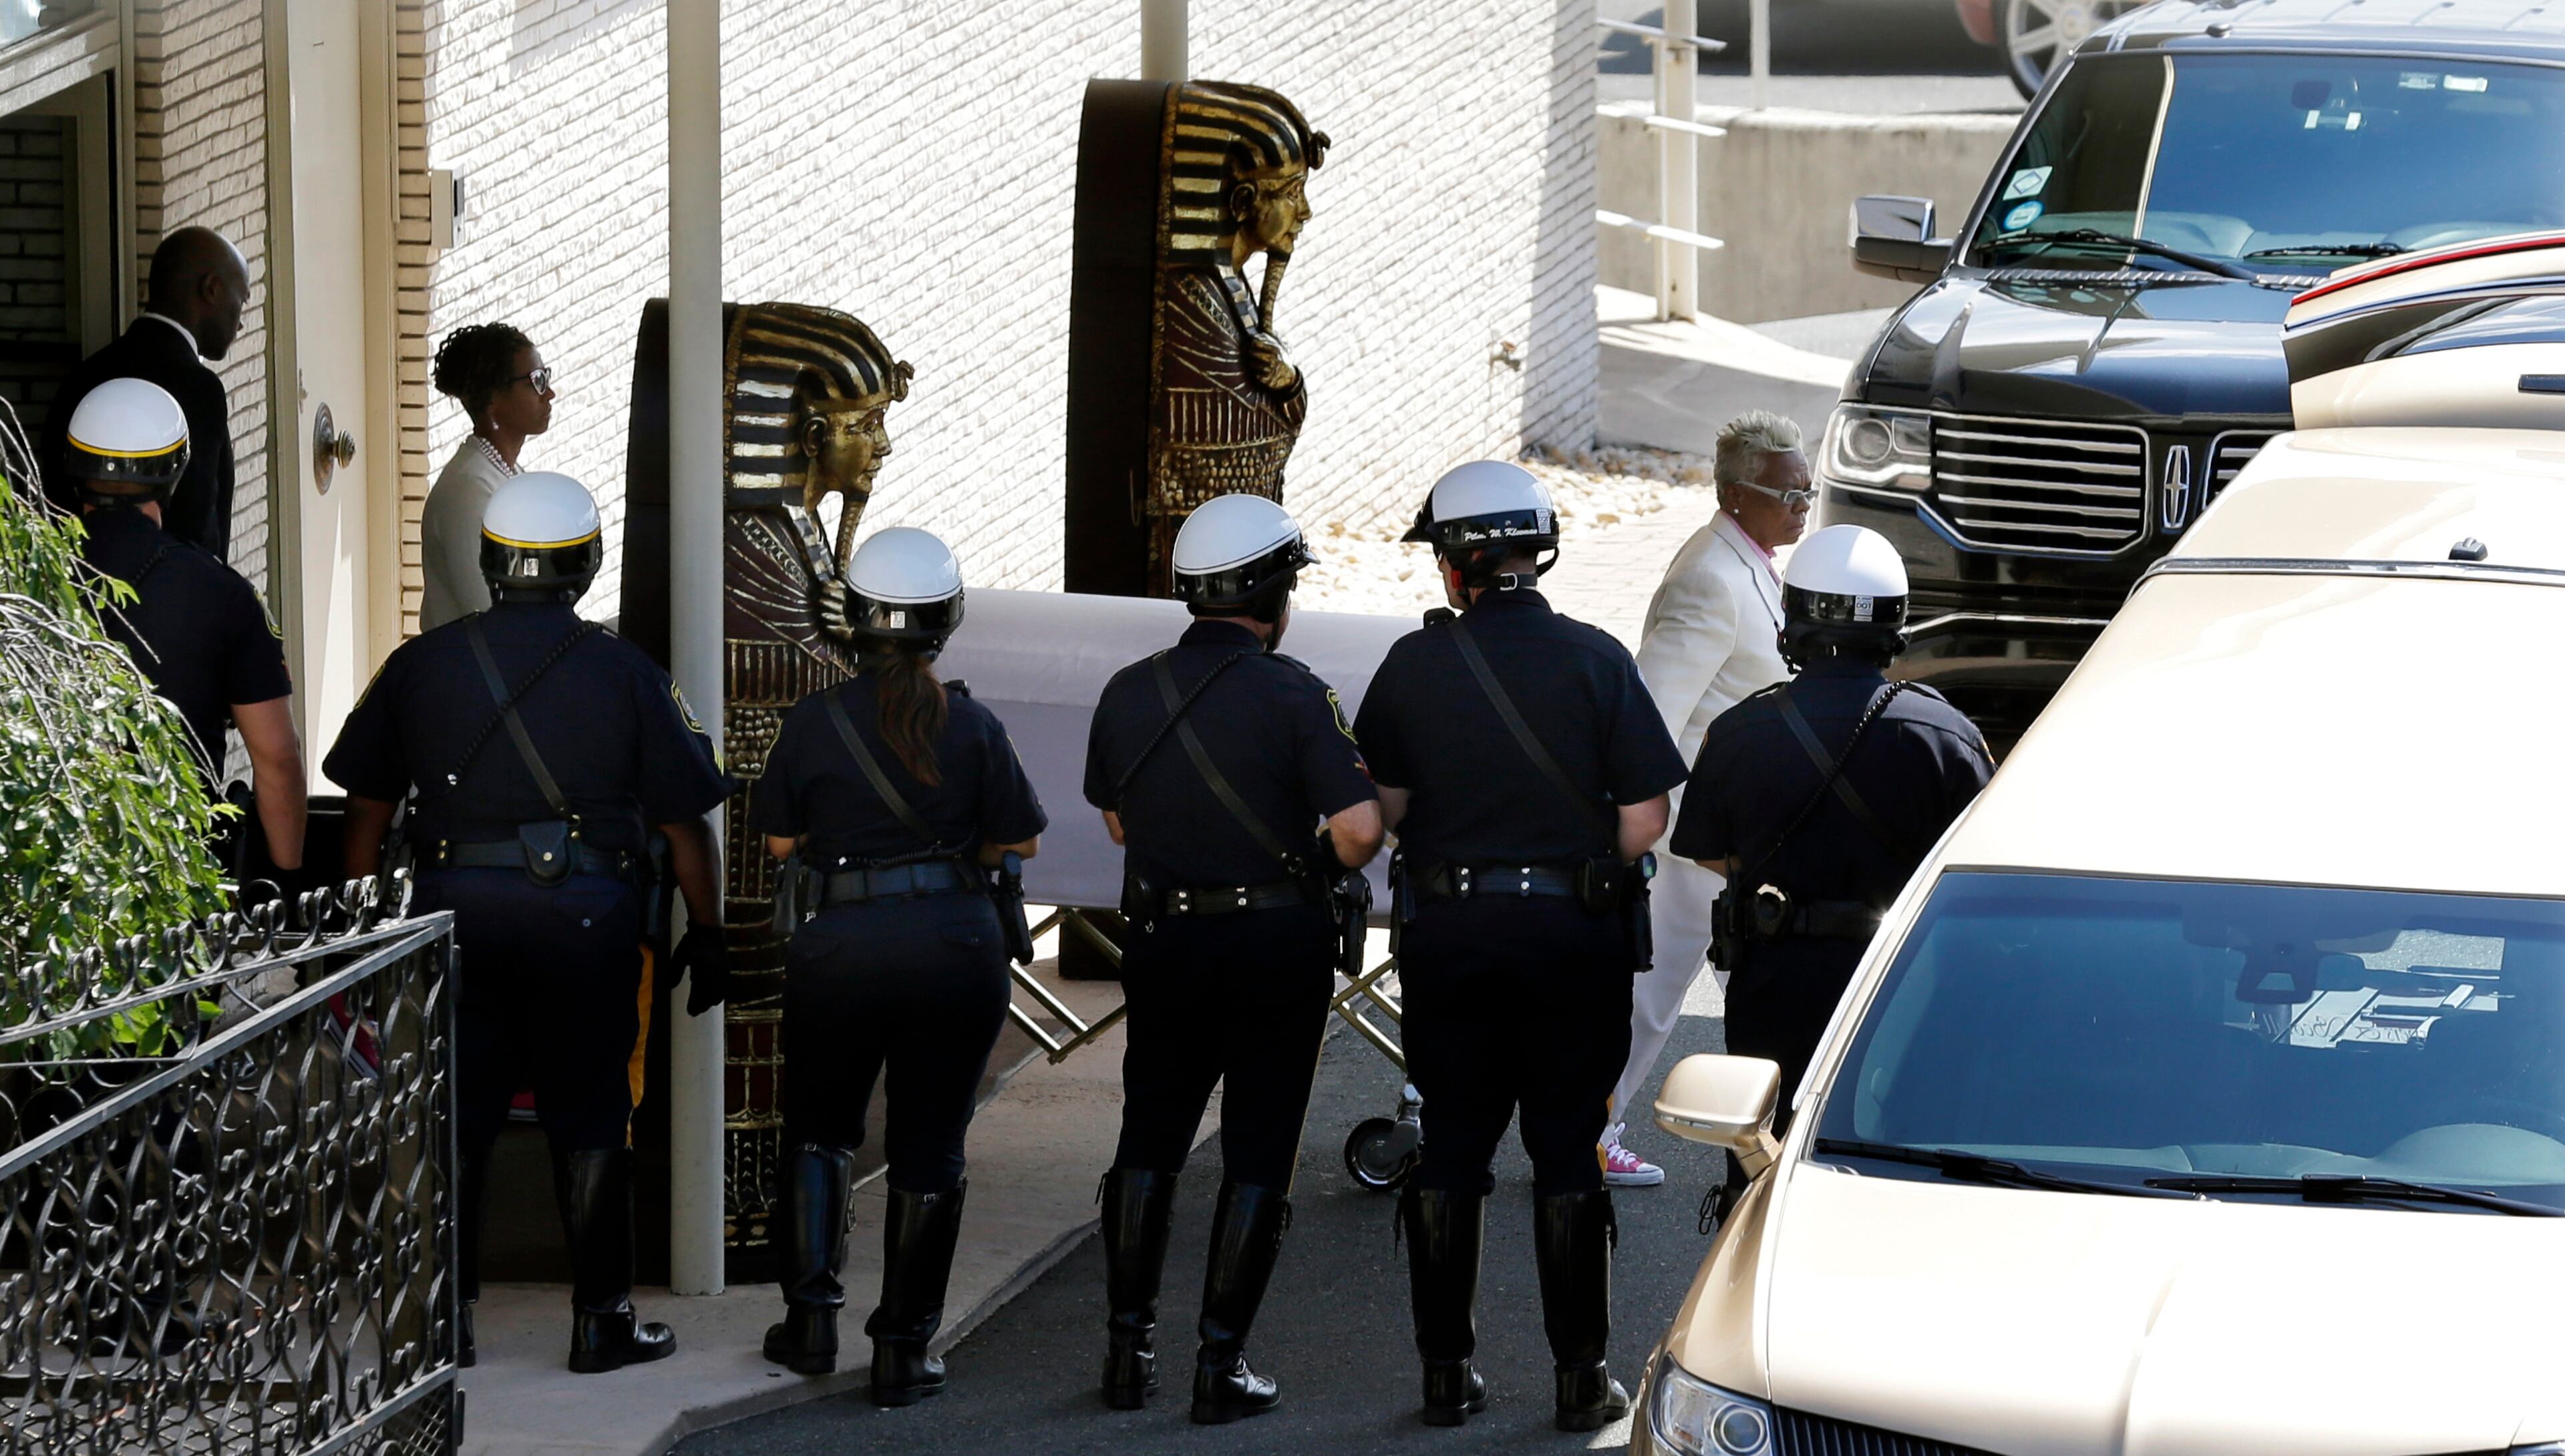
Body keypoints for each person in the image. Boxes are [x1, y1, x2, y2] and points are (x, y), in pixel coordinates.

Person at [326, 471, 732, 1376]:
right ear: (586, 564)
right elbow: (685, 825)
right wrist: (709, 930)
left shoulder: (421, 663)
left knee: (454, 1114)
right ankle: (602, 1321)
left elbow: (364, 810)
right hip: (587, 921)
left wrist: (357, 934)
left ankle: (444, 1323)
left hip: (452, 921)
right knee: (590, 1112)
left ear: (487, 561)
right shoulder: (628, 672)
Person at [1353, 460, 1689, 1432]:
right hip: (1572, 938)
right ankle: (1581, 1378)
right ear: (1537, 552)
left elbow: (1384, 814)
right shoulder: (1595, 658)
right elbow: (1644, 819)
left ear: (1454, 566)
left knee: (1453, 1147)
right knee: (1567, 1156)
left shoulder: (1414, 667)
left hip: (1451, 934)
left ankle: (1445, 1377)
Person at [1081, 494, 1383, 1425]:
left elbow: (1118, 818)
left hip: (1166, 938)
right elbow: (1360, 830)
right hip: (1272, 944)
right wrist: (1306, 867)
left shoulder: (1130, 687)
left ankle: (1126, 1353)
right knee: (1258, 1145)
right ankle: (1221, 1364)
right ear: (1272, 593)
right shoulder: (1298, 693)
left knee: (1150, 1136)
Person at [751, 527, 1045, 1407]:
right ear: (945, 621)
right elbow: (1019, 837)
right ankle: (903, 1351)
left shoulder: (811, 722)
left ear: (853, 623)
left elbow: (778, 842)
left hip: (839, 948)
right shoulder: (975, 724)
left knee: (818, 1129)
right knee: (930, 1144)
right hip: (955, 946)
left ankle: (809, 1324)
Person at [1670, 524, 1994, 1208]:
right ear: (1897, 622)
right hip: (1905, 978)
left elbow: (1705, 845)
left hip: (1776, 975)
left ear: (1793, 618)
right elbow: (1980, 866)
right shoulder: (1945, 733)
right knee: (1898, 1156)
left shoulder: (1740, 730)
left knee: (1763, 1162)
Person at [1602, 410, 1806, 1186]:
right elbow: (1653, 714)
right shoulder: (1710, 578)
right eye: (1786, 493)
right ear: (1733, 493)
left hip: (1732, 830)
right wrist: (1660, 831)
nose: (1803, 505)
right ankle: (1596, 1127)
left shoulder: (1745, 559)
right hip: (1692, 838)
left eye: (1807, 491)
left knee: (1747, 988)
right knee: (1653, 996)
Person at [68, 377, 305, 868]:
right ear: (175, 472)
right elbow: (277, 758)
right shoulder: (223, 593)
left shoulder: (23, 580)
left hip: (43, 874)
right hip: (177, 877)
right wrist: (283, 891)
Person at [45, 228, 251, 557]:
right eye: (242, 299)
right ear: (211, 288)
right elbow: (199, 530)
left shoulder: (86, 374)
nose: (241, 322)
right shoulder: (198, 388)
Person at [420, 323, 555, 630]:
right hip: (473, 673)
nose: (549, 393)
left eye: (546, 377)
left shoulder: (503, 476)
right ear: (492, 400)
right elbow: (492, 616)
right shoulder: (469, 492)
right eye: (536, 381)